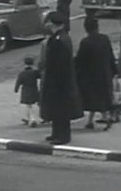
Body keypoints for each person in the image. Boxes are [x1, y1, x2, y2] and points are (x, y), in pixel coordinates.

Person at [39, 12, 83, 145]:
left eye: (48, 22)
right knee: (56, 109)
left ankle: (63, 136)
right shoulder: (60, 37)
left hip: (59, 82)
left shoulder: (59, 41)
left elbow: (58, 64)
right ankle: (56, 133)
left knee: (61, 110)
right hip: (58, 81)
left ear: (52, 23)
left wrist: (54, 81)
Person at [74, 16, 118, 130]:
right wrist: (114, 70)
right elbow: (110, 55)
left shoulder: (85, 42)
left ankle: (99, 119)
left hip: (91, 76)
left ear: (86, 29)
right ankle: (99, 118)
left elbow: (80, 60)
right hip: (105, 73)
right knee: (104, 97)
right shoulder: (105, 39)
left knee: (93, 98)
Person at [14, 55, 41, 127]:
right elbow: (40, 76)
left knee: (28, 105)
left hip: (26, 90)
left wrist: (16, 89)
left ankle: (32, 119)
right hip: (34, 89)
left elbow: (18, 82)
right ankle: (28, 118)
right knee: (33, 104)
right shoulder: (34, 72)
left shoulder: (22, 73)